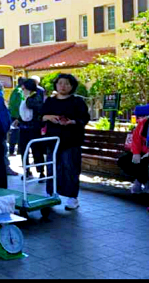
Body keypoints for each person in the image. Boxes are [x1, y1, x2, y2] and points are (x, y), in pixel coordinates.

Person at [41, 74, 90, 210]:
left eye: (67, 84)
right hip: (52, 142)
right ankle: (50, 193)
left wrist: (72, 121)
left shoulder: (77, 102)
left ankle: (72, 197)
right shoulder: (50, 101)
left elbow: (84, 118)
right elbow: (41, 116)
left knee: (71, 168)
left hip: (71, 141)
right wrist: (49, 117)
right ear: (56, 85)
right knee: (51, 168)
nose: (63, 86)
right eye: (60, 83)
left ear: (72, 86)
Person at [14, 79, 45, 181]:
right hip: (23, 129)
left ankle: (41, 172)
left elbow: (31, 106)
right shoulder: (27, 97)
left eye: (23, 88)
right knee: (24, 151)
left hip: (34, 129)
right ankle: (27, 171)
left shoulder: (36, 97)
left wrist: (28, 96)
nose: (22, 90)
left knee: (37, 151)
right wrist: (18, 120)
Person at [118, 106, 149, 193]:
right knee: (124, 161)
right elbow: (136, 140)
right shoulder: (142, 124)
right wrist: (136, 153)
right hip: (141, 152)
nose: (140, 119)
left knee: (144, 163)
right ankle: (143, 182)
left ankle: (139, 183)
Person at [8, 78, 25, 156]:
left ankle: (13, 150)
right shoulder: (19, 91)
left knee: (14, 133)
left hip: (13, 114)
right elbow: (20, 105)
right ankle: (16, 150)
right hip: (17, 116)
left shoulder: (15, 90)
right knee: (17, 133)